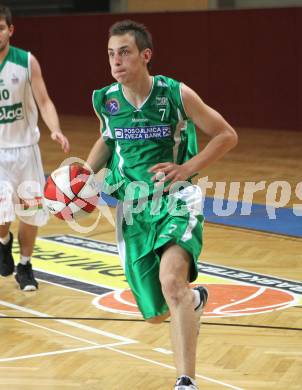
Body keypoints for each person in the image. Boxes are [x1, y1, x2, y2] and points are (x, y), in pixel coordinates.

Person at [87, 20, 238, 390]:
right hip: (132, 209)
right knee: (156, 314)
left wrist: (187, 168)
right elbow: (108, 140)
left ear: (145, 55)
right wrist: (83, 180)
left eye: (124, 52)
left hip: (176, 200)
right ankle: (195, 299)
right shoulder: (105, 100)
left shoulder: (174, 94)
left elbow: (226, 135)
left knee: (172, 282)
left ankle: (186, 380)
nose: (116, 61)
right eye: (111, 54)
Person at [0, 5, 70, 291]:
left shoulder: (27, 62)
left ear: (10, 30)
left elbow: (44, 101)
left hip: (26, 150)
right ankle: (4, 241)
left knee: (30, 213)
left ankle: (25, 265)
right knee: (2, 214)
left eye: (0, 27)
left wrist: (55, 128)